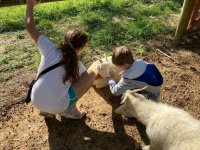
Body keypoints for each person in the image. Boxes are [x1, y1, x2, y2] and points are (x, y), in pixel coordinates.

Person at [25, 0, 98, 119]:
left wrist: (30, 4)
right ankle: (69, 109)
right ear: (81, 48)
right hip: (57, 106)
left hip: (35, 100)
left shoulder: (49, 48)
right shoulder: (77, 65)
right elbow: (83, 81)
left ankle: (46, 110)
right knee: (90, 75)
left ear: (65, 40)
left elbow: (29, 26)